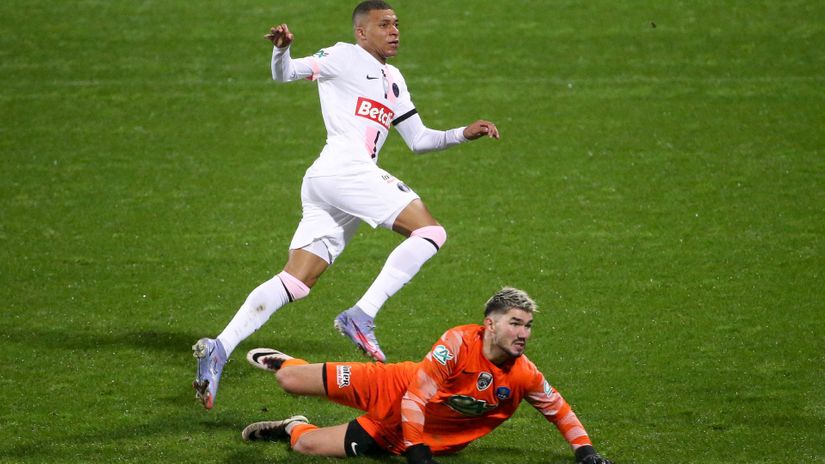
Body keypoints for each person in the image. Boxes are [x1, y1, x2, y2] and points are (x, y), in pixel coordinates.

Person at [191, 0, 500, 410]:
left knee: (297, 281)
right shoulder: (341, 55)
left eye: (396, 24)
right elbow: (284, 74)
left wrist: (464, 132)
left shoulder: (394, 78)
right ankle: (362, 314)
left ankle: (220, 347)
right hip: (343, 171)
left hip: (332, 182)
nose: (395, 31)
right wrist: (281, 48)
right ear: (361, 32)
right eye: (384, 24)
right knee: (431, 232)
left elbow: (419, 139)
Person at [240, 288, 614, 464]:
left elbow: (559, 410)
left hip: (396, 433)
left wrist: (586, 452)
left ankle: (292, 425)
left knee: (305, 446)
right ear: (489, 325)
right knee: (289, 382)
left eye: (528, 326)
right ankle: (290, 364)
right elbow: (415, 397)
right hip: (391, 386)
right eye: (515, 323)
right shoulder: (456, 343)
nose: (524, 333)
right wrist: (418, 452)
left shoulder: (524, 375)